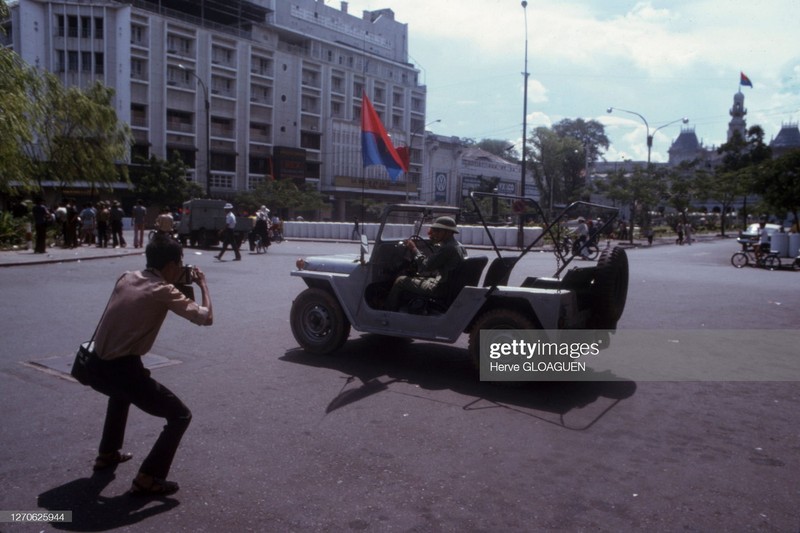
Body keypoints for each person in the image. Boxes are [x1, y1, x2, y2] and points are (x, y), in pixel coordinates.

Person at [87, 234, 213, 496]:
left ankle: (107, 454)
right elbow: (205, 317)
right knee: (180, 416)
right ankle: (148, 477)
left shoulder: (126, 276)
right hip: (123, 369)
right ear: (170, 264)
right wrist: (203, 284)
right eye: (179, 263)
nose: (180, 268)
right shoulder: (162, 291)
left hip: (95, 364)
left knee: (119, 395)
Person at [385, 216, 466, 311]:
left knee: (400, 280)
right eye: (435, 230)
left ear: (448, 232)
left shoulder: (448, 248)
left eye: (438, 231)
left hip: (440, 289)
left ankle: (388, 311)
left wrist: (414, 249)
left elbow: (426, 266)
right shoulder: (458, 246)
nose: (435, 233)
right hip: (449, 286)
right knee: (419, 277)